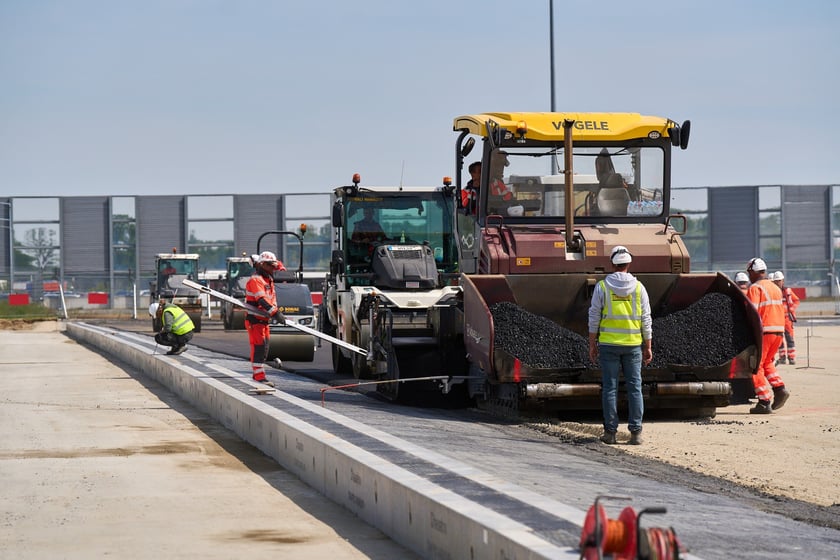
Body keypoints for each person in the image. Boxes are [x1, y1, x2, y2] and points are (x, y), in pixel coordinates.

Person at [588, 245, 652, 445]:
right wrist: (648, 345)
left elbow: (594, 316)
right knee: (635, 388)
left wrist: (592, 343)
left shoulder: (602, 287)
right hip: (633, 345)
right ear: (628, 264)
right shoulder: (639, 288)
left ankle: (610, 433)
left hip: (608, 345)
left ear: (612, 264)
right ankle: (636, 433)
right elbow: (646, 319)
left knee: (610, 388)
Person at [745, 258, 790, 414]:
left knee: (756, 366)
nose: (748, 276)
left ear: (753, 271)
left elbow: (753, 313)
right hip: (778, 331)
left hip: (764, 332)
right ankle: (779, 388)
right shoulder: (774, 287)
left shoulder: (755, 288)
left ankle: (764, 401)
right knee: (767, 362)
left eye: (749, 273)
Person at [245, 251, 287, 386]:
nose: (273, 269)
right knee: (259, 347)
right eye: (270, 266)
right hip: (255, 320)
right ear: (262, 264)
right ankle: (259, 377)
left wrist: (275, 312)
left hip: (264, 320)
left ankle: (259, 374)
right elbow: (262, 300)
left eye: (274, 266)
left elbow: (271, 300)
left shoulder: (268, 280)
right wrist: (276, 313)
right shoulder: (256, 280)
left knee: (265, 348)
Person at [772, 271, 800, 365]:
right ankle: (782, 357)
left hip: (787, 319)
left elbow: (796, 300)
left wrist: (791, 309)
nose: (778, 283)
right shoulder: (772, 292)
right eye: (776, 281)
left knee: (790, 339)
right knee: (779, 339)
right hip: (777, 318)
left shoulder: (787, 291)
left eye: (779, 280)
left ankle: (791, 358)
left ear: (782, 281)